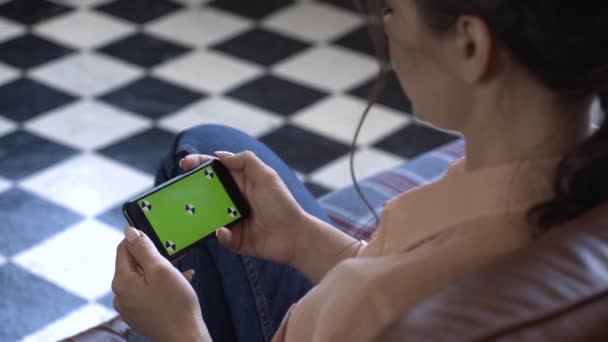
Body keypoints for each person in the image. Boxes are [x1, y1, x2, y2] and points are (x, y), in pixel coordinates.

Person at [111, 0, 608, 341]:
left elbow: (390, 288)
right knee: (212, 145)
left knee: (193, 155)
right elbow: (406, 267)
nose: (388, 27)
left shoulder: (376, 309)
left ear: (470, 45)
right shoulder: (566, 179)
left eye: (393, 9)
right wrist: (300, 237)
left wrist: (180, 330)